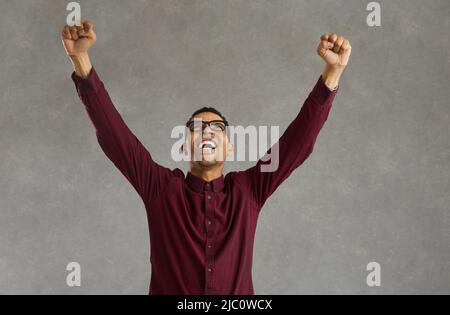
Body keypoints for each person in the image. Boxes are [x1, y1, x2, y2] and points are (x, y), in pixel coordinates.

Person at [61, 21, 352, 295]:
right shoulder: (160, 189)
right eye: (197, 128)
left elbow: (296, 144)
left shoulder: (249, 189)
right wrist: (81, 62)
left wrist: (332, 75)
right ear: (185, 147)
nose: (207, 132)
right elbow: (115, 136)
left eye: (217, 128)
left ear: (230, 148)